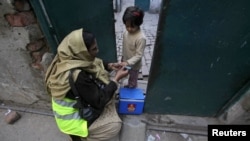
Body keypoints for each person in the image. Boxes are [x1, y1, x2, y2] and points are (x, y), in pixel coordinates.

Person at [45, 28, 129, 141]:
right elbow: (99, 100)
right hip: (72, 122)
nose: (97, 51)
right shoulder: (78, 76)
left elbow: (93, 63)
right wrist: (116, 79)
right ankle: (84, 137)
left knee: (107, 91)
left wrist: (109, 66)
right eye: (94, 49)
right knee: (114, 126)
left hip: (73, 107)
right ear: (83, 52)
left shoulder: (67, 58)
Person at [120, 6, 146, 88]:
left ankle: (132, 88)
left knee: (133, 80)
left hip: (134, 65)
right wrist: (123, 57)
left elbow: (139, 55)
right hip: (125, 60)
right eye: (127, 26)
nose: (129, 29)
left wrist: (128, 62)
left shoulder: (141, 38)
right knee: (124, 74)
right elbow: (124, 46)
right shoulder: (125, 33)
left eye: (132, 26)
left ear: (138, 24)